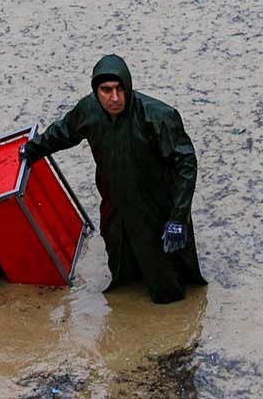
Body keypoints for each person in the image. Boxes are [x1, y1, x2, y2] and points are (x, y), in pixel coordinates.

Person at [21, 54, 205, 304]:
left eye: (120, 89)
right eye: (106, 90)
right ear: (96, 91)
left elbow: (186, 165)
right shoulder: (88, 110)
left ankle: (176, 332)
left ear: (128, 87)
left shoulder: (158, 116)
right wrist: (30, 151)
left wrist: (177, 218)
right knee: (122, 270)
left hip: (154, 207)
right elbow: (62, 133)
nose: (114, 98)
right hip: (115, 204)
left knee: (165, 285)